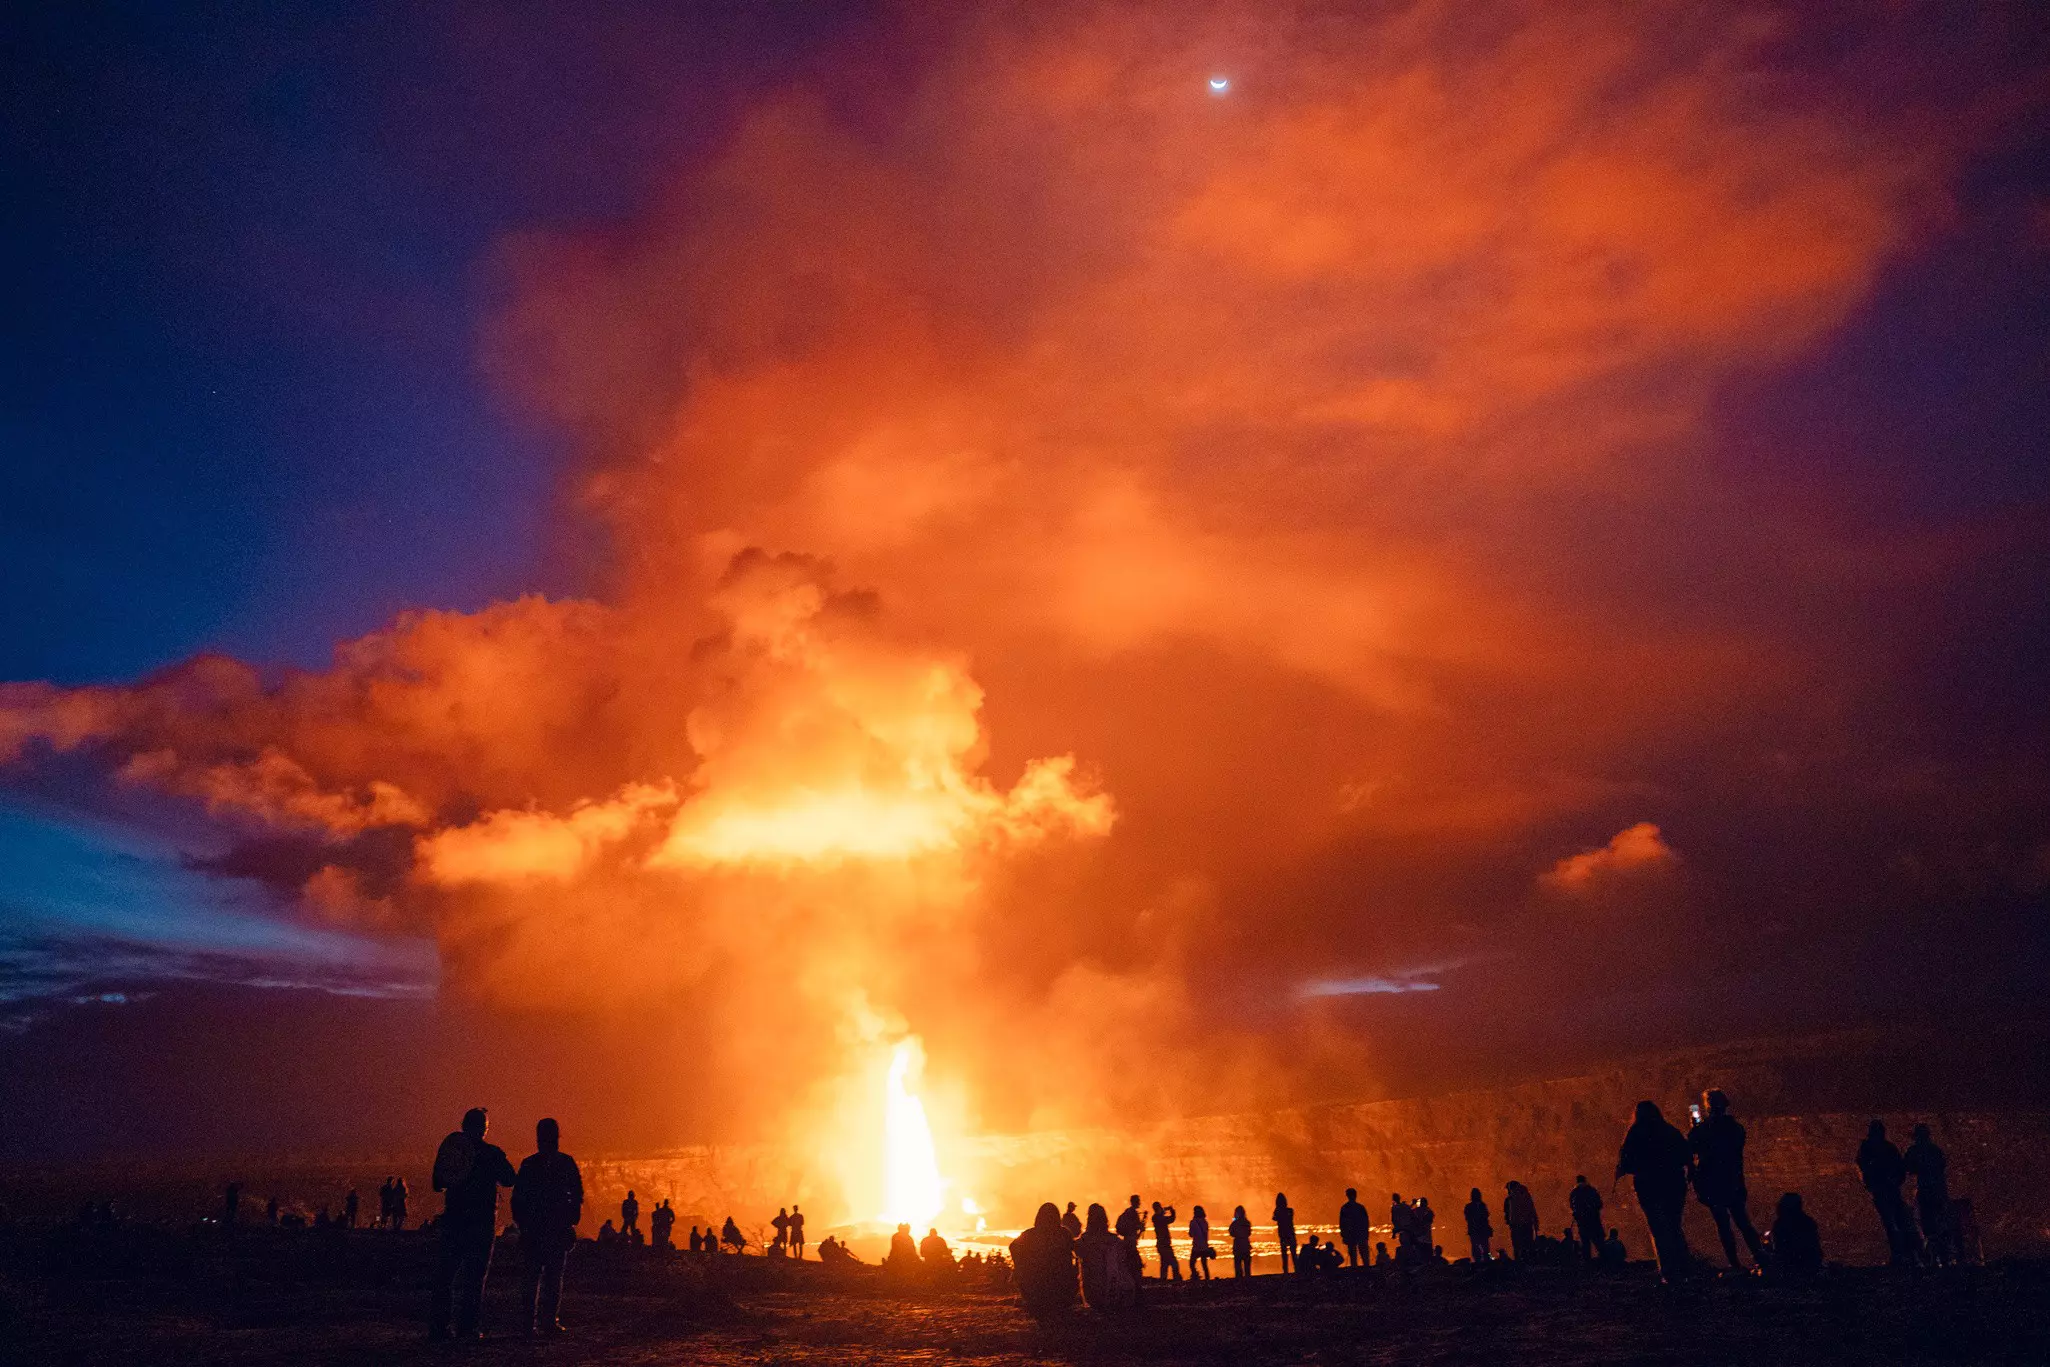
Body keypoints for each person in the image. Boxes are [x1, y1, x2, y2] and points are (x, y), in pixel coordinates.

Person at [429, 1106, 517, 1341]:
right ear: (484, 1129)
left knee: (446, 1275)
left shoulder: (451, 1151)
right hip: (481, 1223)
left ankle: (439, 1327)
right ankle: (467, 1327)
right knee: (475, 1278)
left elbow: (437, 1182)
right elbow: (510, 1178)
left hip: (455, 1220)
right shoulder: (491, 1154)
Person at [510, 1117, 582, 1337]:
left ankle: (528, 1323)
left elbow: (517, 1199)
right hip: (556, 1228)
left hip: (535, 1229)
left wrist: (523, 1225)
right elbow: (576, 1196)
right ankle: (548, 1321)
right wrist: (571, 1222)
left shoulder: (529, 1165)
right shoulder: (566, 1163)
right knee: (552, 1277)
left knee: (532, 1277)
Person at [1616, 1100, 1693, 1282]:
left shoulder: (1635, 1134)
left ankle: (1668, 1271)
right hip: (1673, 1183)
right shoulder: (1669, 1131)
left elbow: (1625, 1162)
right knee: (1674, 1225)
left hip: (1648, 1185)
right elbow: (1686, 1154)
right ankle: (1684, 1267)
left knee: (1658, 1228)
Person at [1688, 1089, 1765, 1270]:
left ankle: (1735, 1263)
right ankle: (1760, 1256)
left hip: (1712, 1182)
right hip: (1732, 1180)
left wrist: (1695, 1128)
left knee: (1723, 1224)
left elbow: (1691, 1148)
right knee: (1743, 1221)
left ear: (1708, 1107)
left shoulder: (1703, 1130)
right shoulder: (1736, 1129)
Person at [1856, 1120, 1920, 1265]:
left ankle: (1902, 1254)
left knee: (1893, 1222)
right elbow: (1901, 1168)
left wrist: (1873, 1182)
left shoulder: (1871, 1148)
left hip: (1885, 1190)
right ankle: (1906, 1254)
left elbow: (1863, 1166)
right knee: (1896, 1221)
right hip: (1887, 1189)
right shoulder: (1885, 1148)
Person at [1010, 1202, 1078, 1319]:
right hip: (1061, 1293)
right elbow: (1077, 1249)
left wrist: (1021, 1267)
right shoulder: (1064, 1234)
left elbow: (1013, 1247)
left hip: (1035, 1293)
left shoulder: (1029, 1235)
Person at [1076, 1202, 1140, 1309]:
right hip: (1114, 1291)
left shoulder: (1082, 1242)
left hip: (1092, 1295)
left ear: (1089, 1220)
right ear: (1105, 1219)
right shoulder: (1116, 1241)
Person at [1903, 1124, 1949, 1264]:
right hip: (1939, 1190)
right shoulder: (1935, 1150)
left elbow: (1907, 1167)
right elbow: (1942, 1166)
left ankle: (1933, 1257)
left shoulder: (1915, 1150)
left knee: (1928, 1223)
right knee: (1940, 1222)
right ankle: (1943, 1257)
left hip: (1926, 1190)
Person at [1767, 1192, 1822, 1279]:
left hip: (1792, 1269)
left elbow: (1782, 1251)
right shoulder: (1808, 1223)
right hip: (1809, 1268)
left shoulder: (1781, 1225)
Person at [1568, 1175, 1604, 1264]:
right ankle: (1604, 1260)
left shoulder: (1575, 1192)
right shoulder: (1592, 1190)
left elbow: (1572, 1206)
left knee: (1585, 1241)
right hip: (1594, 1220)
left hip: (1582, 1221)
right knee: (1597, 1240)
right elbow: (1599, 1204)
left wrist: (1578, 1214)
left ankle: (1587, 1261)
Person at [1502, 1180, 1539, 1261]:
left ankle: (1519, 1262)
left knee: (1517, 1245)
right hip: (1527, 1224)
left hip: (1516, 1225)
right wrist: (1535, 1223)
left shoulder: (1510, 1199)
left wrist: (1509, 1222)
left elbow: (1507, 1214)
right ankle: (1529, 1261)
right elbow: (1532, 1210)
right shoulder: (1526, 1196)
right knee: (1527, 1244)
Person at [1338, 1187, 1370, 1267]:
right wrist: (1366, 1233)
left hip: (1350, 1234)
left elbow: (1342, 1223)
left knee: (1353, 1254)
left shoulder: (1345, 1208)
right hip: (1360, 1233)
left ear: (1347, 1196)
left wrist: (1343, 1234)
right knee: (1364, 1253)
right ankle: (1366, 1268)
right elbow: (1366, 1221)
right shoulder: (1360, 1207)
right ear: (1355, 1195)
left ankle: (1354, 1268)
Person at [1150, 1201, 1182, 1281]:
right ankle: (1176, 1280)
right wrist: (1172, 1211)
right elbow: (1171, 1219)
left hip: (1161, 1245)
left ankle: (1163, 1280)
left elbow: (1162, 1215)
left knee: (1164, 1264)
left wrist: (1165, 1210)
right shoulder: (1159, 1218)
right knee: (1174, 1264)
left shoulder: (1156, 1217)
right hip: (1164, 1245)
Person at [1463, 1188, 1493, 1263]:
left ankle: (1479, 1261)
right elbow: (1486, 1217)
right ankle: (1485, 1261)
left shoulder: (1469, 1206)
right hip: (1481, 1229)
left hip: (1475, 1229)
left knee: (1477, 1247)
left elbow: (1468, 1218)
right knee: (1484, 1246)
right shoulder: (1482, 1205)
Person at [1115, 1195, 1144, 1269]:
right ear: (1135, 1202)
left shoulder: (1128, 1212)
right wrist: (1141, 1228)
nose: (1139, 1203)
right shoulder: (1133, 1213)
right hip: (1131, 1243)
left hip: (1128, 1241)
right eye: (1138, 1201)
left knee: (1130, 1263)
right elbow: (1135, 1228)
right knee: (1135, 1265)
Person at [1187, 1205, 1214, 1280]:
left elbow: (1191, 1234)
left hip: (1196, 1247)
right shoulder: (1205, 1222)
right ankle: (1207, 1280)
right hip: (1204, 1246)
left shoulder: (1193, 1222)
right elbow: (1206, 1233)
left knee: (1192, 1264)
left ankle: (1195, 1275)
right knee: (1204, 1265)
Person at [1272, 1192, 1297, 1274]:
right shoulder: (1290, 1210)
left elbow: (1274, 1218)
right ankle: (1297, 1269)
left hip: (1283, 1234)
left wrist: (1277, 1209)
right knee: (1293, 1253)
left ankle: (1285, 1271)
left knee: (1284, 1254)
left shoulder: (1278, 1212)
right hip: (1290, 1233)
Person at [1228, 1205, 1253, 1279]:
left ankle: (1239, 1282)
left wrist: (1234, 1220)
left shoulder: (1235, 1223)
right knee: (1247, 1267)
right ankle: (1248, 1282)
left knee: (1238, 1267)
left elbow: (1231, 1232)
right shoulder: (1247, 1222)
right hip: (1246, 1245)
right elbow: (1249, 1233)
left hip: (1237, 1245)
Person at [1390, 1193, 1413, 1263]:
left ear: (1393, 1199)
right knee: (1408, 1246)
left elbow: (1393, 1219)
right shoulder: (1405, 1206)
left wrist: (1395, 1229)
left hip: (1401, 1230)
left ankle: (1405, 1261)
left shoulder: (1394, 1208)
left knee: (1404, 1245)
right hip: (1408, 1229)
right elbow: (1410, 1212)